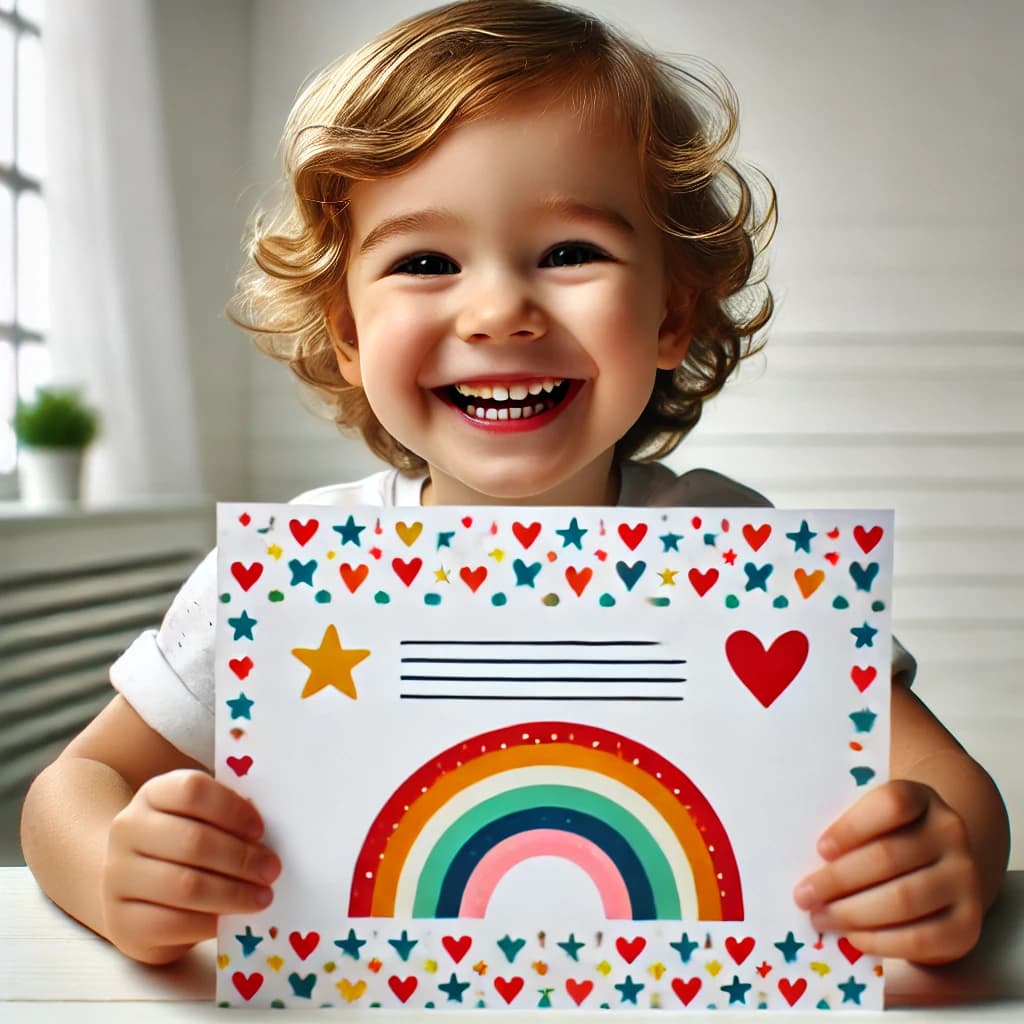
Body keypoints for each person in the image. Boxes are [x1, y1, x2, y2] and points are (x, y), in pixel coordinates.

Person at [21, 0, 1008, 970]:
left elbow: (946, 783)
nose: (497, 310)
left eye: (570, 252)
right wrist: (116, 865)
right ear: (350, 331)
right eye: (425, 260)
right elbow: (76, 783)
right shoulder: (294, 572)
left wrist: (936, 857)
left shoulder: (737, 548)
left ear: (673, 309)